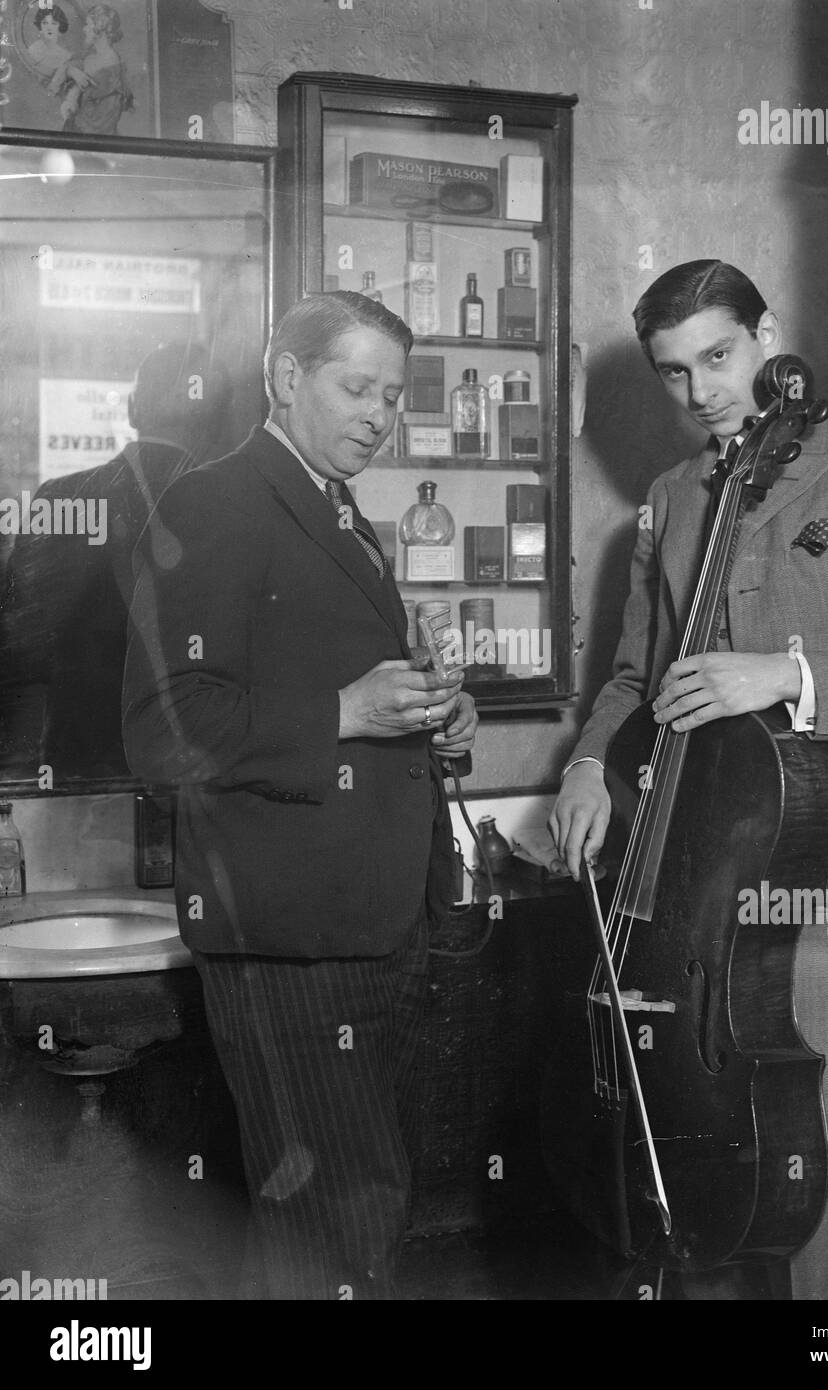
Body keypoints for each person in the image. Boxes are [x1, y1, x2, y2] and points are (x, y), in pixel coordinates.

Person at [122, 292, 477, 1300]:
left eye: (392, 396)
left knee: (329, 1223)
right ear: (286, 376)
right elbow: (162, 726)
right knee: (340, 1220)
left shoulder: (335, 507)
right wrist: (345, 710)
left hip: (370, 923)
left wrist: (433, 715)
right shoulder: (214, 501)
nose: (378, 414)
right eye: (354, 386)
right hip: (291, 942)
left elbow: (351, 700)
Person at [549, 259, 828, 1301]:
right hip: (698, 850)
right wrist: (592, 759)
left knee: (802, 1127)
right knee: (697, 1121)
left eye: (719, 357)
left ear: (764, 332)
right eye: (672, 373)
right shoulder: (668, 496)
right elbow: (636, 675)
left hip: (816, 853)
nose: (700, 394)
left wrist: (784, 674)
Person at [0, 341, 230, 778]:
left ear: (131, 409)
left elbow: (23, 648)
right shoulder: (236, 509)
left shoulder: (62, 497)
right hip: (204, 768)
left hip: (81, 764)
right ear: (214, 422)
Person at [60, 4, 133, 135]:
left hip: (92, 136)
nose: (84, 29)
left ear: (100, 29)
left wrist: (71, 108)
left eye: (88, 25)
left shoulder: (110, 63)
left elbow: (101, 119)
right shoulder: (92, 58)